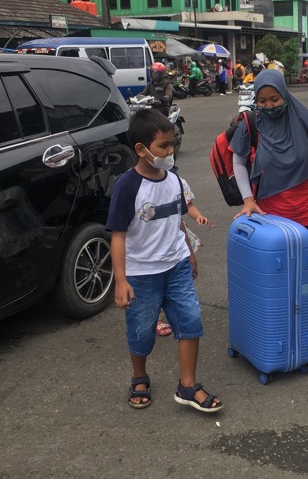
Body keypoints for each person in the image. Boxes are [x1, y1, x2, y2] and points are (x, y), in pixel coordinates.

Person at [106, 108, 223, 412]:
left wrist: (188, 253)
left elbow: (178, 220)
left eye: (172, 144)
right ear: (141, 150)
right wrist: (120, 280)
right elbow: (117, 235)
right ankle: (139, 376)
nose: (170, 151)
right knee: (142, 330)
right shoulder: (127, 187)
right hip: (141, 275)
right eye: (164, 146)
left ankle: (188, 386)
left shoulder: (173, 179)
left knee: (190, 322)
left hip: (178, 267)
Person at [231, 69, 308, 319]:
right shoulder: (250, 124)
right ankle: (277, 319)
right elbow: (238, 161)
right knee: (273, 271)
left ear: (284, 94)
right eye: (262, 101)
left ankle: (306, 319)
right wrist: (247, 200)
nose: (268, 105)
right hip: (270, 216)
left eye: (274, 99)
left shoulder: (306, 121)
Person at [156, 176, 210, 337]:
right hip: (156, 244)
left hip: (177, 237)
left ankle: (179, 313)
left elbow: (188, 206)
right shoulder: (139, 183)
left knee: (179, 280)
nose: (168, 153)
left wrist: (198, 216)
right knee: (155, 283)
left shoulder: (177, 181)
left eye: (170, 149)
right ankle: (156, 318)